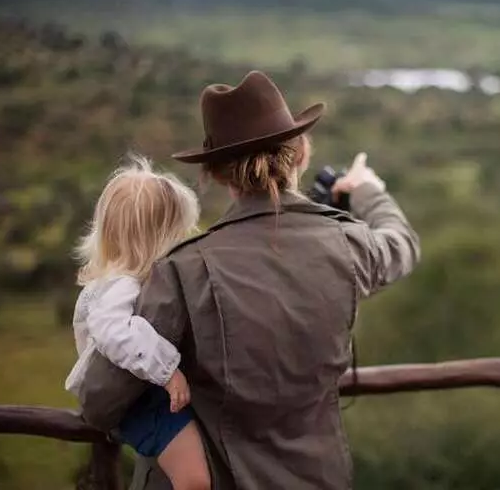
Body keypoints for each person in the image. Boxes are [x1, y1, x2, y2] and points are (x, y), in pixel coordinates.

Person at [76, 70, 421, 489]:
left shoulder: (184, 270)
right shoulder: (348, 243)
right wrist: (367, 190)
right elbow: (402, 244)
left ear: (215, 175)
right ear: (301, 154)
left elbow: (101, 397)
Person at [64, 156, 211, 490]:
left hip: (140, 392)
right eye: (178, 232)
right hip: (139, 403)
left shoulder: (117, 280)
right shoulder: (121, 285)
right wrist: (168, 370)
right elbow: (116, 332)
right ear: (156, 238)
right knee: (195, 479)